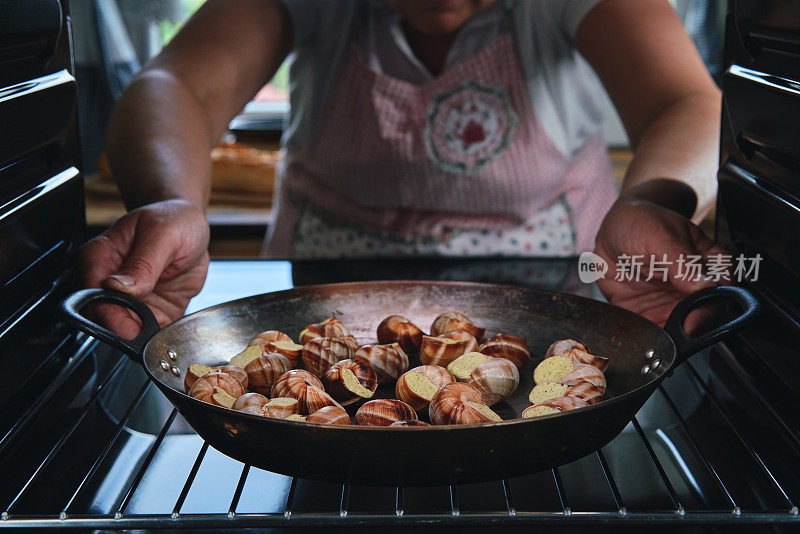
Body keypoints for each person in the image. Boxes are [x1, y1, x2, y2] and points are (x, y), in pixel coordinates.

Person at [81, 0, 725, 338]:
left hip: (557, 301)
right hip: (320, 300)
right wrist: (168, 199)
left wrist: (656, 201)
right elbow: (175, 86)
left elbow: (689, 101)